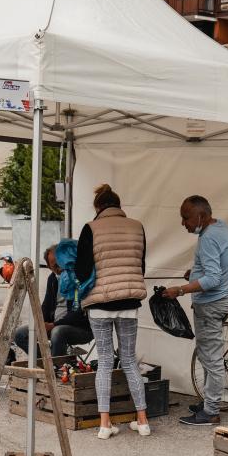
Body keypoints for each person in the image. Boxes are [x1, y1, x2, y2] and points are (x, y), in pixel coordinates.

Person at [75, 184, 150, 440]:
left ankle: (105, 424)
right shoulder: (137, 226)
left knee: (105, 361)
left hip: (100, 304)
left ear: (98, 207)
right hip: (129, 303)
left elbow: (83, 270)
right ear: (119, 206)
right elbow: (141, 265)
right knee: (129, 361)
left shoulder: (91, 228)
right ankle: (142, 421)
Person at [161, 195, 228, 426]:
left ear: (201, 216)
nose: (183, 223)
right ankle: (208, 403)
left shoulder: (208, 238)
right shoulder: (220, 228)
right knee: (207, 356)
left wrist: (181, 290)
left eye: (186, 218)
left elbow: (213, 278)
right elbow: (216, 267)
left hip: (212, 304)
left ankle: (211, 411)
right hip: (219, 301)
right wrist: (194, 273)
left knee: (212, 359)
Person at [11, 244, 92, 361]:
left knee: (57, 332)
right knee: (20, 334)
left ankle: (56, 368)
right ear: (49, 267)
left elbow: (78, 313)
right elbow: (46, 305)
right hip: (54, 326)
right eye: (54, 266)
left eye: (61, 264)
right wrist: (41, 323)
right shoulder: (53, 279)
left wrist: (53, 325)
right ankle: (46, 364)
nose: (59, 268)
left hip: (80, 328)